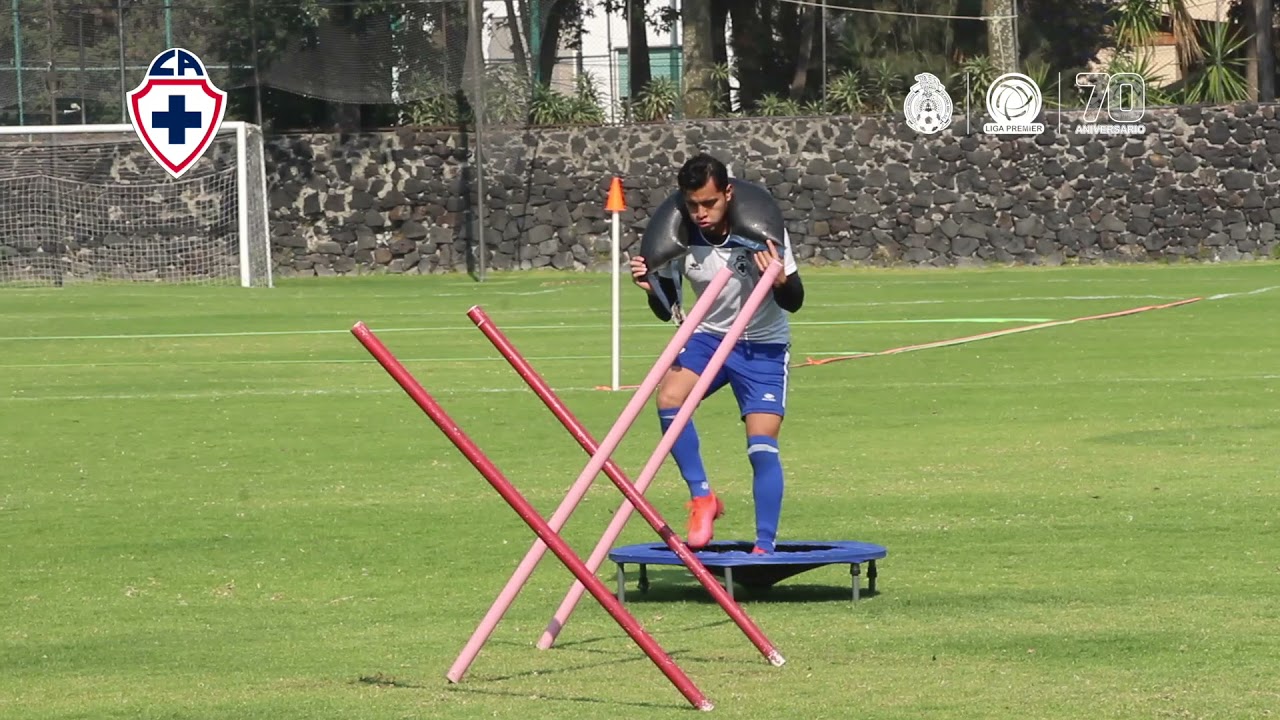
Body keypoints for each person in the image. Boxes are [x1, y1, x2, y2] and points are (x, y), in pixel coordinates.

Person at [628, 153, 805, 554]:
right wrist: (651, 289)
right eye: (692, 205)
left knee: (761, 446)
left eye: (709, 203)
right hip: (709, 337)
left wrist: (778, 280)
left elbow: (795, 301)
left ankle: (765, 545)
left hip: (763, 344)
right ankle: (702, 497)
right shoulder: (679, 236)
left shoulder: (762, 229)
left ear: (728, 193)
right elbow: (665, 308)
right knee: (668, 398)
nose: (701, 213)